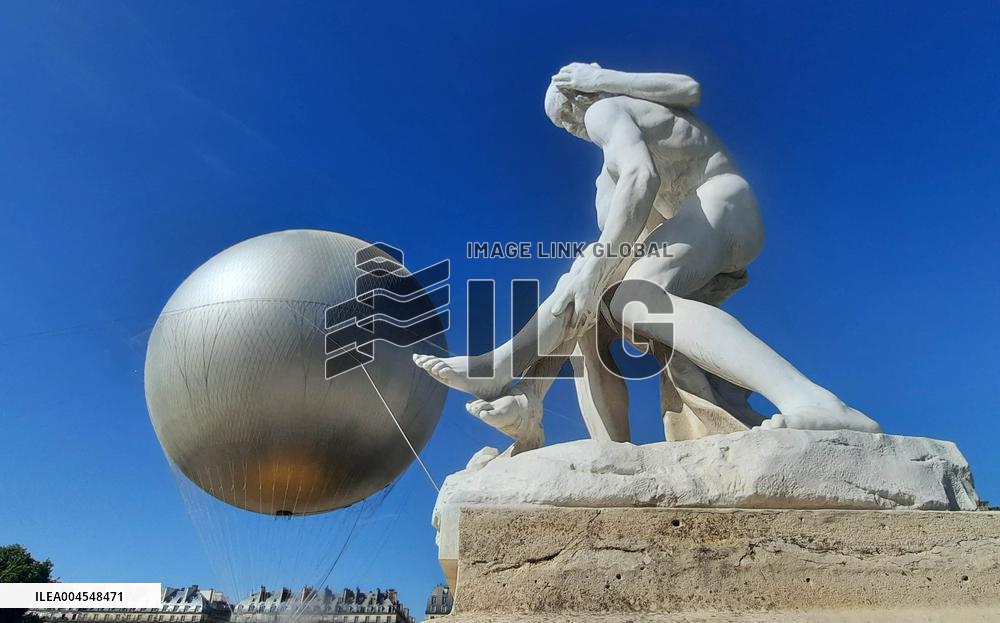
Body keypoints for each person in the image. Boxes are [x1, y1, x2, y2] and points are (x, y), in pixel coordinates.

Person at [415, 63, 881, 450]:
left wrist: (600, 81)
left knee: (634, 297)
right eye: (568, 125)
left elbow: (651, 163)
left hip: (720, 203)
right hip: (694, 230)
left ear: (580, 98)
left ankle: (814, 401)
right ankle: (598, 447)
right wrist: (581, 288)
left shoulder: (610, 108)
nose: (576, 128)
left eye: (570, 116)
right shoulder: (605, 177)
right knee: (593, 309)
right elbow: (604, 256)